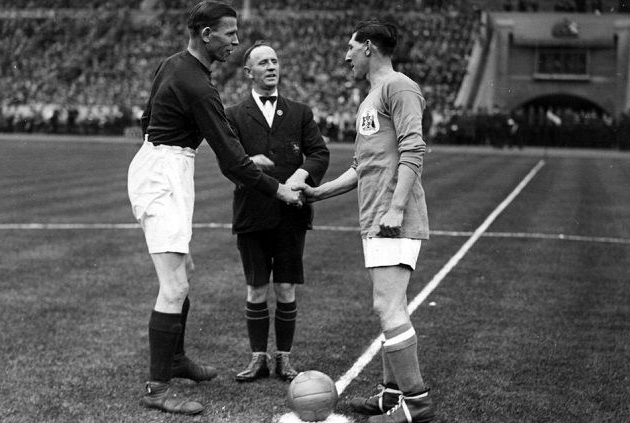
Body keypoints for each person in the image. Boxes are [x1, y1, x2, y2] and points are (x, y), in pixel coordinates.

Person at [126, 1, 303, 416]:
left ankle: (175, 358)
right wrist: (276, 190)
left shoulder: (175, 65)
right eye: (230, 34)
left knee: (183, 273)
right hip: (164, 174)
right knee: (174, 287)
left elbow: (150, 117)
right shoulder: (198, 84)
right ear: (207, 35)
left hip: (164, 164)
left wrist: (226, 156)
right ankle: (157, 387)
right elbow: (230, 161)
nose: (236, 42)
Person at [296, 19, 435, 423]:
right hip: (374, 214)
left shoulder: (400, 87)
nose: (346, 56)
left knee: (387, 305)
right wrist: (321, 192)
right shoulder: (371, 97)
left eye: (351, 47)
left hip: (393, 216)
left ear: (369, 47)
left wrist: (395, 208)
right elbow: (363, 165)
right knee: (387, 305)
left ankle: (416, 402)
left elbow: (414, 148)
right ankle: (392, 393)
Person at [225, 41, 330, 383]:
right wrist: (246, 163)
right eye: (263, 62)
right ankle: (258, 358)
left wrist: (302, 173)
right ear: (248, 72)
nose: (271, 67)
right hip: (252, 214)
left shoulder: (300, 112)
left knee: (285, 288)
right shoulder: (234, 115)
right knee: (256, 289)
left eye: (274, 61)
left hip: (291, 216)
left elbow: (318, 153)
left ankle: (284, 358)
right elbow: (228, 162)